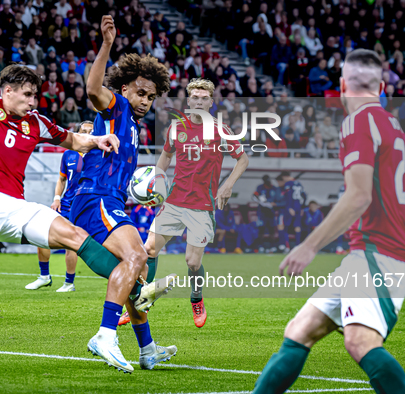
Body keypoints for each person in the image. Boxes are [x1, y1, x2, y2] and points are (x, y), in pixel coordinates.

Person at [0, 54, 161, 375]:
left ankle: (129, 293)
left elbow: (72, 139)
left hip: (17, 205)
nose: (34, 101)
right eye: (28, 94)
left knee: (74, 237)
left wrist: (97, 139)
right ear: (6, 91)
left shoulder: (36, 122)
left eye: (36, 95)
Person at [252, 49, 405, 394]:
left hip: (374, 255)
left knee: (360, 342)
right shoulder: (398, 133)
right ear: (381, 88)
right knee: (298, 332)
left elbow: (359, 195)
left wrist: (309, 246)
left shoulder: (357, 122)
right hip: (373, 254)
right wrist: (396, 241)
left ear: (343, 85)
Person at [74, 16, 176, 373]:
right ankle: (104, 335)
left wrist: (141, 193)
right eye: (140, 92)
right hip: (95, 199)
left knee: (136, 270)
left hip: (111, 200)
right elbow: (92, 90)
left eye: (151, 96)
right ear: (125, 88)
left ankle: (147, 349)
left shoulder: (133, 128)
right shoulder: (115, 107)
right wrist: (106, 44)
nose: (146, 100)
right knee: (136, 259)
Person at [143, 78, 248, 328]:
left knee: (193, 262)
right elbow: (165, 157)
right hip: (174, 201)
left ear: (211, 102)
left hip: (202, 205)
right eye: (195, 97)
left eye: (204, 98)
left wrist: (227, 184)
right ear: (188, 100)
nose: (199, 101)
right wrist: (157, 185)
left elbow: (242, 159)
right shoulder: (175, 128)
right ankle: (142, 299)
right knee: (148, 250)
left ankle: (196, 298)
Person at [25, 121, 94, 293]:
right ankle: (44, 277)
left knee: (71, 244)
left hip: (84, 205)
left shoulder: (99, 155)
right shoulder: (68, 154)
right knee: (41, 235)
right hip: (65, 203)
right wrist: (57, 198)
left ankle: (69, 283)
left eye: (91, 132)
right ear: (78, 133)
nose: (87, 134)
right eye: (84, 131)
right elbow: (61, 179)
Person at [275, 171, 306, 252]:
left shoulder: (288, 184)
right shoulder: (299, 183)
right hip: (298, 206)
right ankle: (298, 246)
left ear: (285, 177)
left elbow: (288, 196)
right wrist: (302, 207)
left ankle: (286, 246)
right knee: (297, 226)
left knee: (285, 226)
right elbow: (304, 196)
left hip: (291, 207)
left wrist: (289, 207)